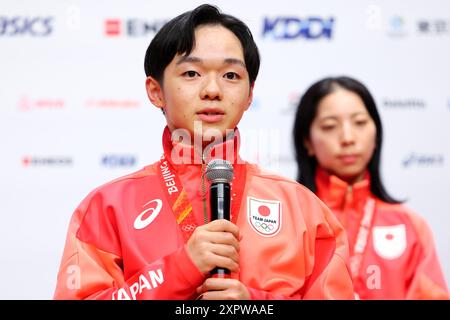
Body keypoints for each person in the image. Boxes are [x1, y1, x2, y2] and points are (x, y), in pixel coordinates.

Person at [54, 4, 354, 300]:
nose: (213, 89)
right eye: (192, 73)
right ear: (156, 91)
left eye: (231, 76)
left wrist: (255, 305)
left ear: (249, 94)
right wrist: (180, 270)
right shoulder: (107, 207)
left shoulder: (303, 209)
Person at [293, 76, 449, 299]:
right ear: (307, 141)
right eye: (330, 126)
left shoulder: (409, 226)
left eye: (360, 123)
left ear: (376, 134)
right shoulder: (288, 222)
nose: (347, 138)